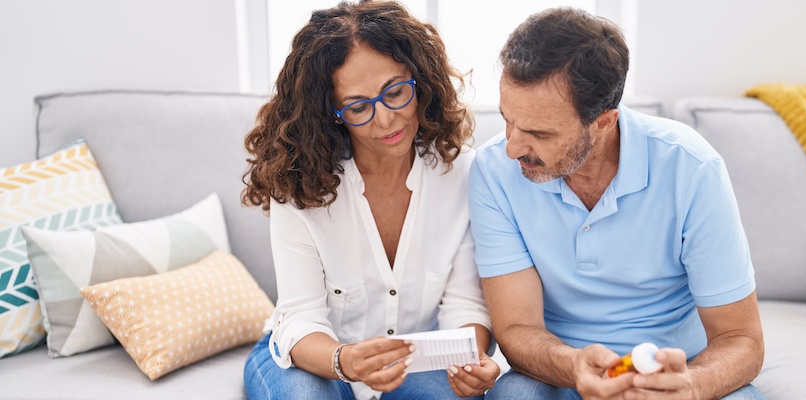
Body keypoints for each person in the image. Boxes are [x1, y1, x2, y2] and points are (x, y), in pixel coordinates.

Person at [469, 7, 765, 400]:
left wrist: (690, 386)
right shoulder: (493, 170)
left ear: (604, 123)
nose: (512, 147)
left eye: (539, 133)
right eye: (508, 120)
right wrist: (574, 365)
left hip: (680, 371)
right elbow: (516, 328)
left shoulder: (691, 168)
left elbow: (740, 338)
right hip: (558, 372)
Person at [240, 1, 499, 399]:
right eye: (359, 106)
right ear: (332, 114)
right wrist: (344, 361)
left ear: (421, 81)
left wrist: (470, 359)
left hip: (419, 360)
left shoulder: (463, 173)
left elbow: (465, 304)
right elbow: (301, 317)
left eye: (395, 92)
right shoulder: (298, 186)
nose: (386, 119)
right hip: (316, 355)